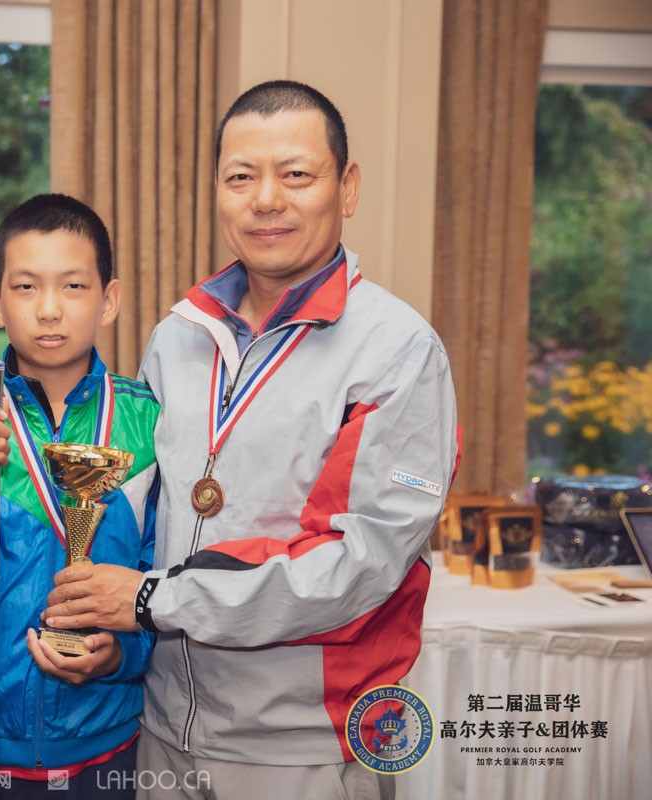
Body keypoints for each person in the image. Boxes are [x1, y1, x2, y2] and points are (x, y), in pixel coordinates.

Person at [41, 81, 460, 799]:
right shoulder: (178, 337)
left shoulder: (397, 352)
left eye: (296, 174)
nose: (266, 200)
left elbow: (360, 563)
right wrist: (112, 625)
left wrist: (149, 601)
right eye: (241, 177)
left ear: (347, 188)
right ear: (217, 191)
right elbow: (146, 514)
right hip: (162, 726)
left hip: (302, 742)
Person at [0, 194, 160, 798]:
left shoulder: (147, 422)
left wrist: (120, 654)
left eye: (73, 286)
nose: (48, 309)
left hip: (103, 747)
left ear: (109, 299)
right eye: (25, 287)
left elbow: (165, 580)